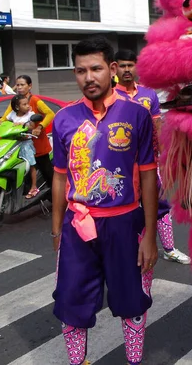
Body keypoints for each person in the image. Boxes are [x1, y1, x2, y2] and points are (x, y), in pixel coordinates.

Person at [51, 37, 159, 365]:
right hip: (77, 226)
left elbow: (148, 175)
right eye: (81, 70)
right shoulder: (63, 119)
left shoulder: (136, 115)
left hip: (125, 223)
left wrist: (151, 235)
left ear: (111, 70)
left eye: (96, 68)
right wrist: (57, 230)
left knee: (132, 304)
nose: (89, 77)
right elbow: (58, 176)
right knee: (72, 306)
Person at [114, 49, 191, 265]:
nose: (127, 69)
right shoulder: (109, 96)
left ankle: (169, 248)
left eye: (130, 65)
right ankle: (126, 250)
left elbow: (157, 126)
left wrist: (163, 156)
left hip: (149, 162)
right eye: (123, 65)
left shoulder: (149, 95)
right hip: (120, 165)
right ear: (114, 68)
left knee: (161, 203)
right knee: (124, 207)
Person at [0, 75, 55, 191]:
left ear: (30, 86)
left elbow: (50, 114)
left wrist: (39, 127)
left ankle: (57, 199)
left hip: (38, 144)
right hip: (21, 143)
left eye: (22, 85)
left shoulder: (35, 100)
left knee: (49, 175)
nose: (19, 87)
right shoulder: (16, 102)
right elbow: (4, 118)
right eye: (17, 85)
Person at [6, 94, 39, 198]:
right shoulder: (12, 115)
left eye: (27, 103)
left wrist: (21, 124)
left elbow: (32, 126)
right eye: (24, 104)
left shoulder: (30, 115)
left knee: (31, 165)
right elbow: (5, 123)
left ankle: (34, 187)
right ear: (17, 107)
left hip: (26, 143)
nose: (27, 106)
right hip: (14, 143)